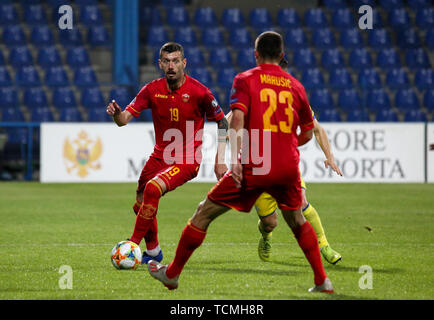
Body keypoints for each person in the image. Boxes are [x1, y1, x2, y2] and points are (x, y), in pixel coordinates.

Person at [147, 31, 334, 293]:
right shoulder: (296, 86)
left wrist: (235, 159)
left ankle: (172, 274)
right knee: (297, 221)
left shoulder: (245, 80)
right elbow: (307, 131)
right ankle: (322, 281)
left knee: (203, 213)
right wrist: (286, 145)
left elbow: (236, 120)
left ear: (256, 55)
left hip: (254, 164)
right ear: (282, 56)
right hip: (287, 167)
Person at [106, 42, 228, 264]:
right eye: (167, 61)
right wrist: (116, 114)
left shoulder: (200, 92)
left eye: (175, 61)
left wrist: (220, 160)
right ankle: (153, 252)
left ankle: (131, 245)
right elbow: (123, 120)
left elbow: (222, 122)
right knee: (140, 202)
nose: (171, 66)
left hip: (187, 160)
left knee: (153, 188)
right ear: (160, 64)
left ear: (184, 63)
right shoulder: (151, 90)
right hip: (159, 157)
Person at [220, 108, 343, 265]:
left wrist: (329, 157)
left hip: (285, 165)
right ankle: (266, 236)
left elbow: (317, 129)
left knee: (302, 202)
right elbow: (224, 126)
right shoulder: (249, 99)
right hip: (257, 172)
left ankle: (324, 245)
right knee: (270, 223)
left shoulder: (293, 98)